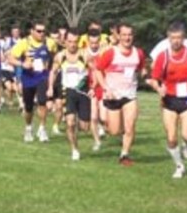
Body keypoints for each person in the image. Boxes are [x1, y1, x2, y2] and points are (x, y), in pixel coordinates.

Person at [147, 21, 187, 178]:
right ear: (168, 38)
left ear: (184, 38)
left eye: (179, 37)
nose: (176, 41)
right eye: (173, 38)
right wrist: (159, 88)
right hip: (169, 101)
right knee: (171, 137)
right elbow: (154, 79)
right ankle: (179, 166)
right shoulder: (163, 57)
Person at [94, 22, 147, 166]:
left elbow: (141, 68)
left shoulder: (138, 53)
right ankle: (110, 126)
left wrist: (144, 73)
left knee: (130, 127)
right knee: (114, 130)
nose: (127, 38)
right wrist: (105, 88)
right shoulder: (111, 52)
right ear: (118, 36)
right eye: (124, 35)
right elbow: (97, 70)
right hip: (113, 96)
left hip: (130, 95)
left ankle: (124, 155)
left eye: (130, 35)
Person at [10, 20, 58, 142]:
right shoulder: (24, 43)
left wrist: (52, 67)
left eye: (43, 31)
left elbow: (55, 56)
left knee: (42, 102)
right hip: (28, 78)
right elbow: (10, 58)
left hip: (42, 76)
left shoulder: (50, 42)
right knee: (29, 107)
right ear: (32, 31)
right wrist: (22, 64)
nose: (42, 33)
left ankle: (42, 129)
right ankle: (28, 128)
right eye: (39, 31)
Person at [48, 30, 92, 160]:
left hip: (83, 92)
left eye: (75, 42)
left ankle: (78, 123)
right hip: (68, 92)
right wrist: (50, 87)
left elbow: (95, 71)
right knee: (70, 123)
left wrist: (94, 87)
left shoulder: (85, 55)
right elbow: (53, 72)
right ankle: (74, 149)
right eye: (70, 41)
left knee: (85, 127)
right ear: (65, 41)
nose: (73, 45)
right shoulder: (60, 56)